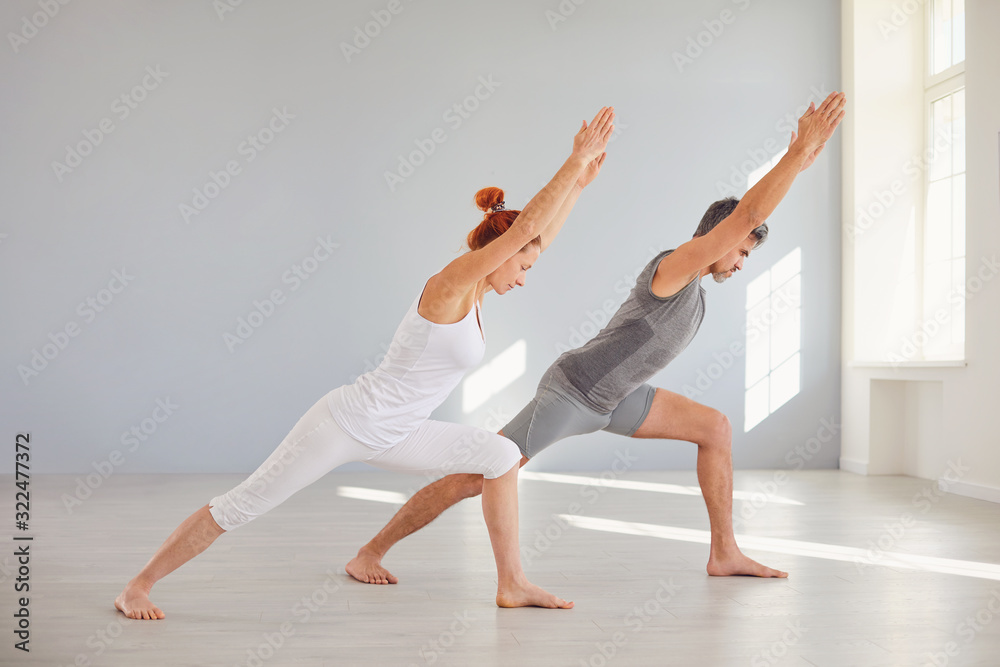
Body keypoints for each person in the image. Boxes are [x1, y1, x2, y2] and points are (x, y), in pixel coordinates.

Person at [114, 106, 616, 620]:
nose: (527, 276)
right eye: (524, 265)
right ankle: (138, 586)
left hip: (399, 431)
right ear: (498, 251)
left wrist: (579, 185)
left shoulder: (483, 292)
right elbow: (526, 228)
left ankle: (506, 582)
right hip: (345, 423)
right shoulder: (449, 287)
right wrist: (572, 160)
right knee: (242, 505)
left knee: (501, 456)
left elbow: (536, 235)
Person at [346, 92, 847, 585]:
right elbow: (746, 216)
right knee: (482, 474)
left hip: (618, 398)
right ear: (716, 237)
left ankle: (725, 553)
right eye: (741, 252)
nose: (740, 264)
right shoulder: (674, 269)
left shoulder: (696, 292)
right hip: (573, 391)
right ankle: (370, 551)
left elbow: (745, 224)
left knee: (714, 428)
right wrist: (797, 155)